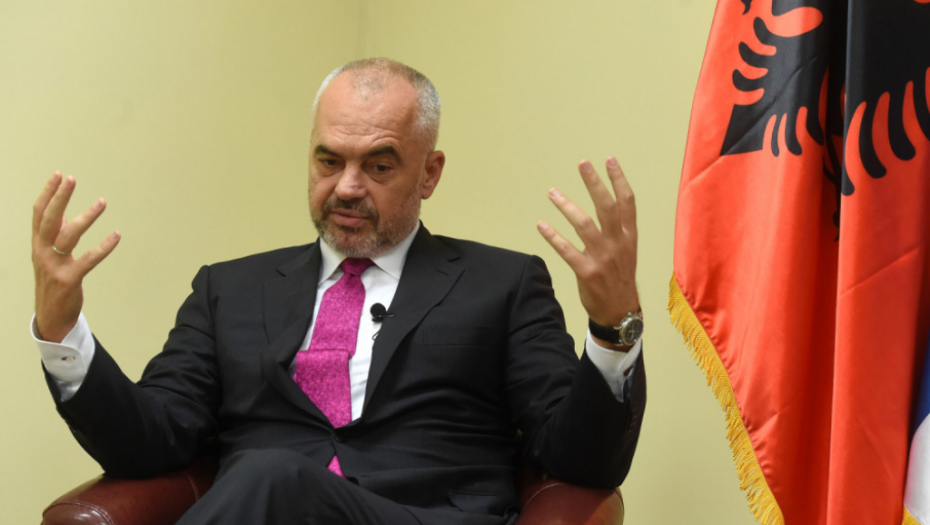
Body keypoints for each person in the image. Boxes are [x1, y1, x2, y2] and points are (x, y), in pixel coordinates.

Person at [31, 58, 645, 525]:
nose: (347, 187)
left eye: (378, 166)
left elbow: (580, 461)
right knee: (269, 480)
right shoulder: (228, 289)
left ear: (428, 173)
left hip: (422, 515)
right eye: (329, 162)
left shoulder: (503, 284)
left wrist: (611, 328)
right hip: (263, 513)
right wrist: (63, 334)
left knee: (272, 476)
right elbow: (150, 442)